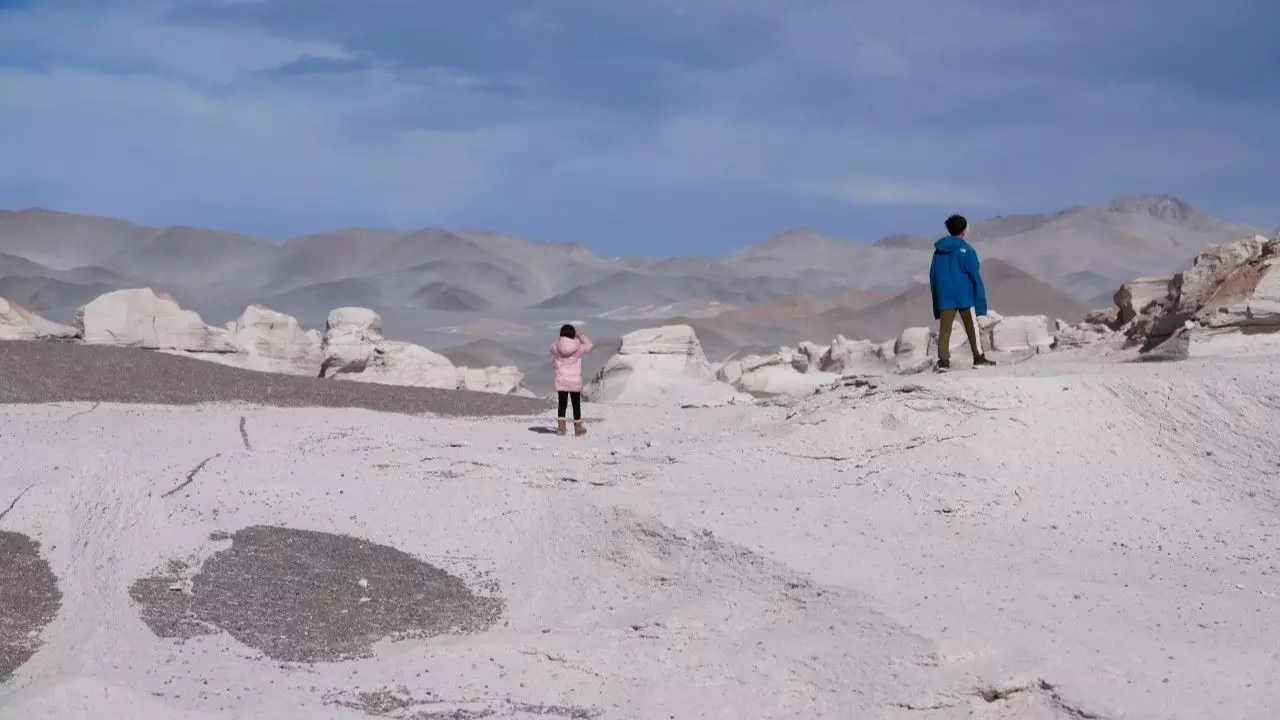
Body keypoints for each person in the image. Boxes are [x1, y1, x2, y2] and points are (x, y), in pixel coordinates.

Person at [929, 214, 994, 370]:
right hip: (965, 295)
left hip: (945, 296)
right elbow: (975, 276)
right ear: (964, 230)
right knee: (972, 327)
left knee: (945, 329)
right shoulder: (967, 250)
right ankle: (978, 358)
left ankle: (943, 362)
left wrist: (937, 299)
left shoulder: (938, 251)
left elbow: (933, 275)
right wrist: (980, 303)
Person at [550, 323, 593, 436]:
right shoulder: (578, 348)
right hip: (574, 381)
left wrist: (560, 340)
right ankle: (578, 428)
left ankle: (561, 428)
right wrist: (580, 335)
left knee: (562, 404)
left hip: (561, 380)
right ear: (573, 334)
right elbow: (589, 345)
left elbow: (551, 347)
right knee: (576, 404)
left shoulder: (557, 348)